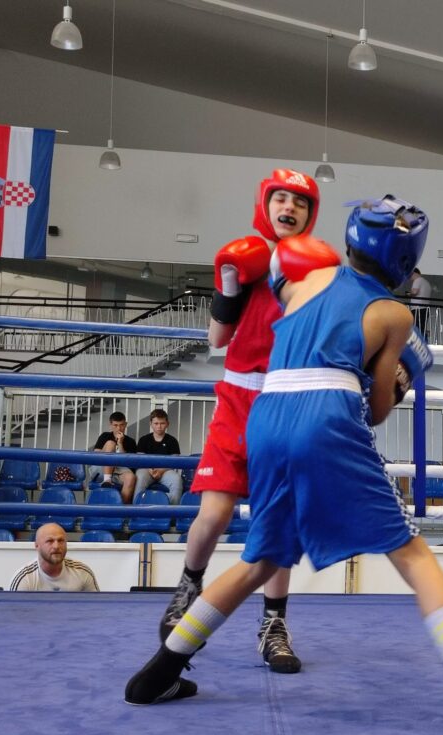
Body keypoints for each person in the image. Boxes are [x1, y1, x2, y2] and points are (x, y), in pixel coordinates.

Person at [126, 195, 443, 728]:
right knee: (413, 554)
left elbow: (260, 310)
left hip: (266, 417)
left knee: (259, 561)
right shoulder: (394, 314)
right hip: (326, 415)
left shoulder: (302, 281)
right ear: (405, 262)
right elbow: (377, 412)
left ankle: (157, 673)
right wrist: (399, 377)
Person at [158, 169, 321, 675]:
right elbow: (216, 339)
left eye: (299, 201)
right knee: (215, 514)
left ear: (310, 213)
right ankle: (189, 586)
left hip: (287, 403)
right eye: (281, 199)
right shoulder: (243, 257)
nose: (289, 208)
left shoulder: (316, 268)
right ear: (265, 205)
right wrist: (230, 284)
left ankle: (274, 625)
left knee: (277, 522)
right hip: (237, 400)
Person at [8, 523, 99, 592]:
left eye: (61, 540)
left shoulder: (83, 572)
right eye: (50, 541)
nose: (56, 546)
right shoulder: (24, 578)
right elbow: (15, 611)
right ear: (37, 546)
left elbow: (97, 608)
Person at [134, 408, 183, 504]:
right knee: (140, 477)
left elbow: (174, 461)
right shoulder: (144, 439)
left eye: (162, 423)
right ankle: (136, 509)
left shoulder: (172, 440)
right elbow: (140, 459)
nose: (159, 426)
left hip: (165, 471)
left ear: (167, 424)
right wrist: (150, 470)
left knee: (177, 480)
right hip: (147, 470)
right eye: (156, 423)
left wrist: (160, 471)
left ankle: (172, 510)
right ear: (151, 424)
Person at [92, 411, 137, 505]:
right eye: (115, 425)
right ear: (111, 425)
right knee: (110, 443)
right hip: (101, 468)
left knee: (131, 477)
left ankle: (119, 509)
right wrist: (111, 449)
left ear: (125, 424)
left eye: (121, 425)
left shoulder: (130, 441)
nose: (118, 428)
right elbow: (95, 455)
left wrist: (120, 443)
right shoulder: (105, 436)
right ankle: (107, 480)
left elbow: (127, 463)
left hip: (119, 471)